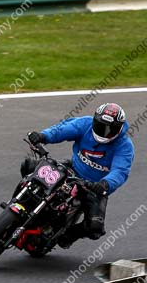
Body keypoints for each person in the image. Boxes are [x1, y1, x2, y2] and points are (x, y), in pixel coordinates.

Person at [25, 103, 134, 248]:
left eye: (110, 129)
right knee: (29, 166)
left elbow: (120, 171)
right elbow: (62, 130)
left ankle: (68, 235)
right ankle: (22, 200)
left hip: (95, 186)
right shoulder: (85, 124)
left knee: (95, 228)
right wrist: (43, 136)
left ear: (119, 128)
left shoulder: (124, 146)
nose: (104, 132)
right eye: (101, 126)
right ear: (95, 121)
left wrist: (105, 184)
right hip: (72, 169)